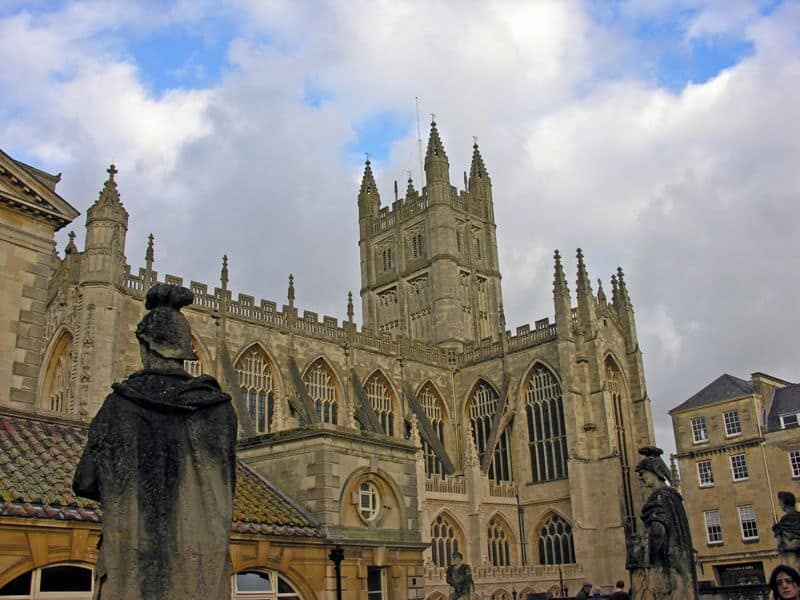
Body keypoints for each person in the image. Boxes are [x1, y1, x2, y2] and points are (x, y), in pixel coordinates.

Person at [73, 284, 238, 600]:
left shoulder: (117, 407)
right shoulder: (219, 411)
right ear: (184, 351)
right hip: (200, 576)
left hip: (132, 573)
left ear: (146, 346)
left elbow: (86, 481)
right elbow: (227, 483)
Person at [627, 446, 698, 599]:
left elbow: (658, 531)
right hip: (679, 563)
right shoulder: (673, 497)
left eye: (642, 474)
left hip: (666, 566)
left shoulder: (659, 497)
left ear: (654, 472)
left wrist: (649, 555)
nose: (640, 478)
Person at [774, 492, 800, 568]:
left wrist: (786, 547)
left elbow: (781, 547)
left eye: (780, 502)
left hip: (792, 561)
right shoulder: (781, 523)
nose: (779, 505)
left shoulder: (782, 524)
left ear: (785, 503)